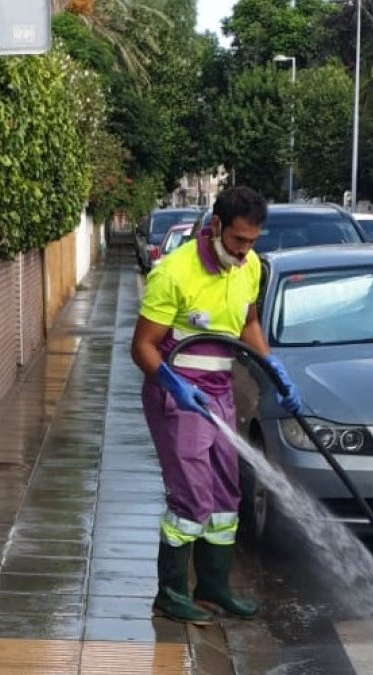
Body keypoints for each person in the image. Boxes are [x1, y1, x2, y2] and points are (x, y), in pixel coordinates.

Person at [129, 186, 304, 625]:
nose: (246, 250)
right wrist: (173, 384)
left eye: (253, 241)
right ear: (216, 226)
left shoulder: (250, 268)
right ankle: (170, 593)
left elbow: (248, 324)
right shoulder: (173, 272)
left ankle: (213, 588)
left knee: (227, 495)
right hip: (178, 393)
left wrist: (272, 367)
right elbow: (143, 347)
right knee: (191, 497)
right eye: (239, 240)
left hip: (220, 389)